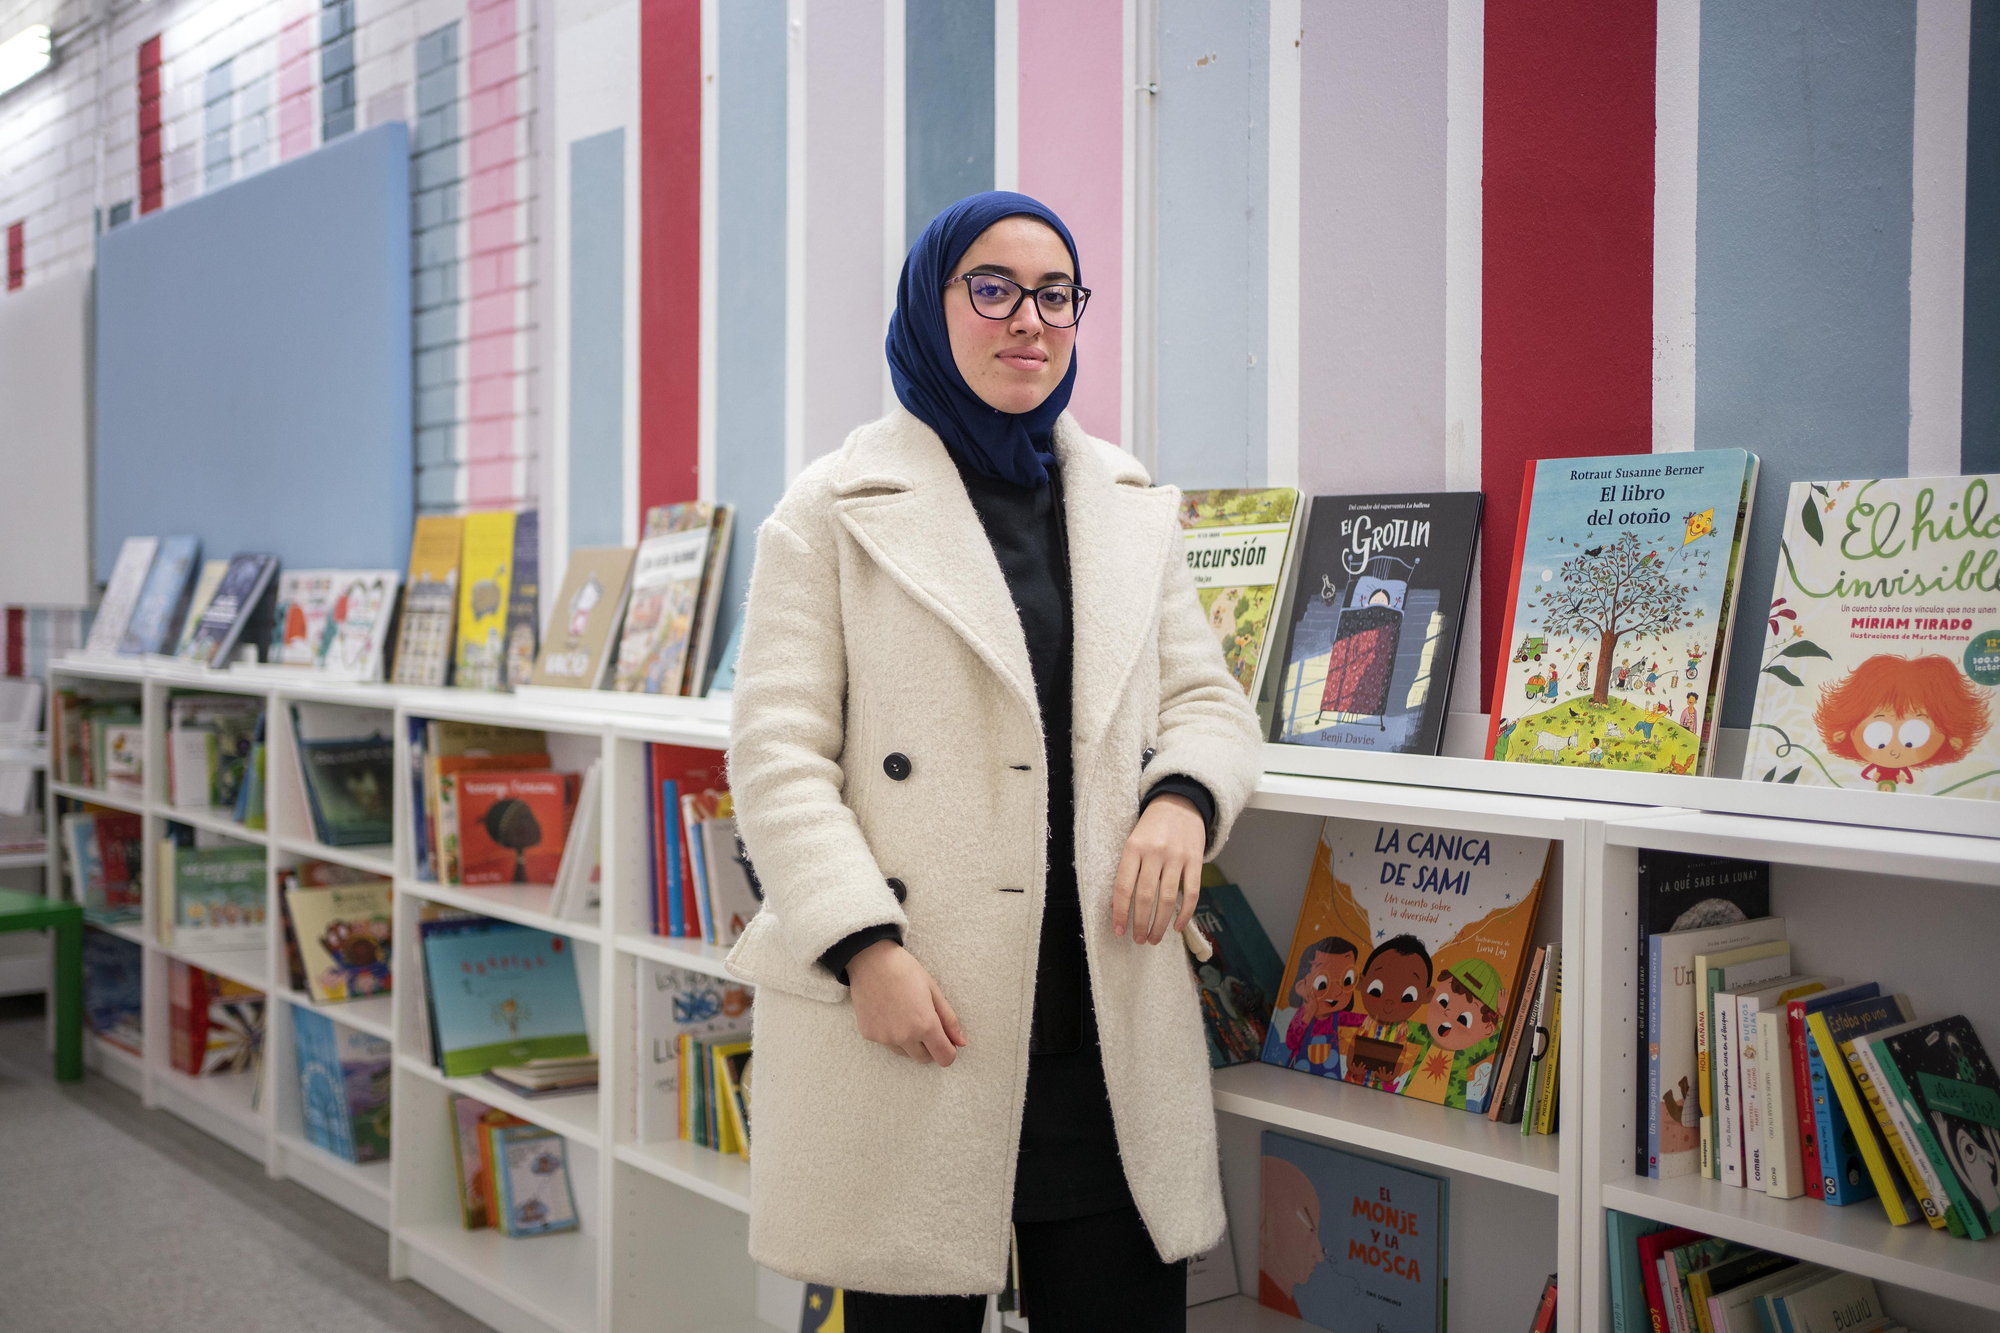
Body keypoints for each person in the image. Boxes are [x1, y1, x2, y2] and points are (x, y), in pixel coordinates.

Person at [724, 191, 1263, 1332]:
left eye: (1055, 294)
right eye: (992, 288)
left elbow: (1209, 699)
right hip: (922, 1003)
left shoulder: (1125, 503)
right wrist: (862, 947)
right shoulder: (828, 509)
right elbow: (777, 757)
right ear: (933, 304)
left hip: (1101, 1016)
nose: (1029, 319)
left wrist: (1181, 798)